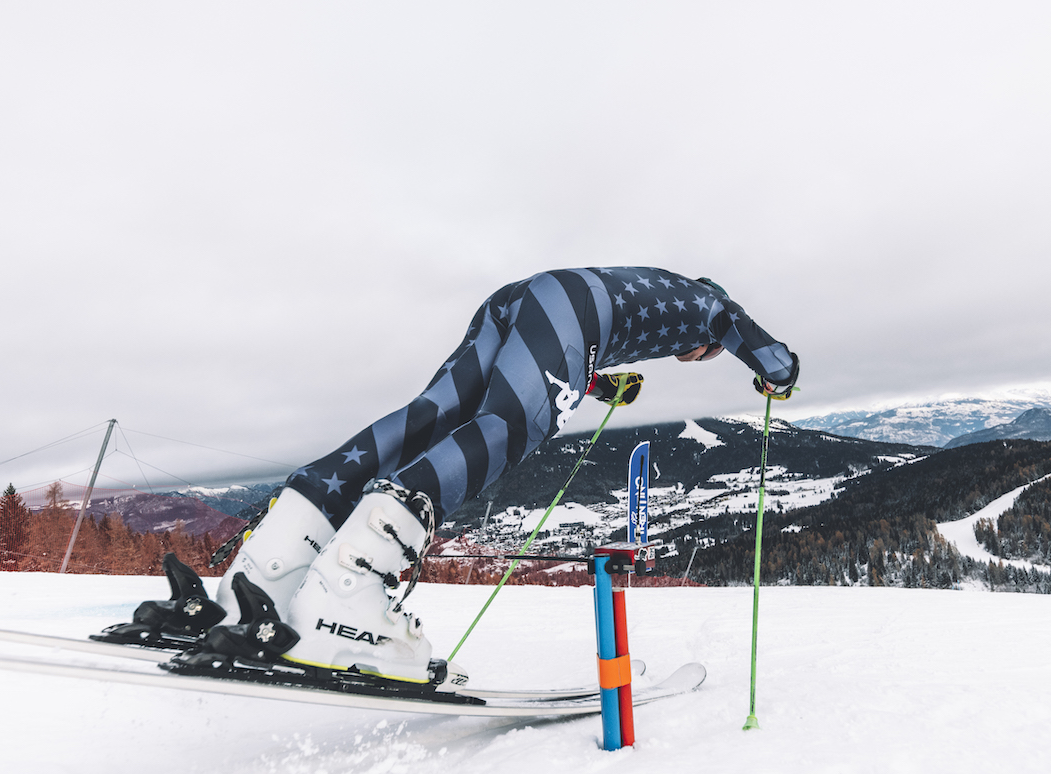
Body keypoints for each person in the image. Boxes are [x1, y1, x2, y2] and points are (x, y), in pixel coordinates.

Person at [123, 267, 796, 684]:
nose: (697, 354)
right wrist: (776, 367)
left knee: (427, 418)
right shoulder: (704, 305)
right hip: (570, 311)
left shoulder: (646, 286)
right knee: (507, 428)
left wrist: (598, 383)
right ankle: (345, 596)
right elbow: (747, 335)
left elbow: (555, 343)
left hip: (521, 299)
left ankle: (260, 579)